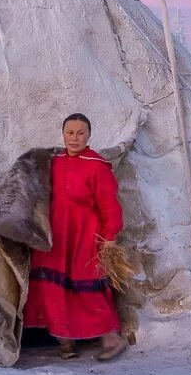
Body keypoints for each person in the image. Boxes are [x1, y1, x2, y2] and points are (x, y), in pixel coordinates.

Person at [22, 113, 128, 361]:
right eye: (70, 132)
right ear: (63, 134)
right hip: (55, 237)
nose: (74, 138)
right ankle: (65, 340)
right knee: (50, 288)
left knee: (86, 288)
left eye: (80, 133)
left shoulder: (97, 166)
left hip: (84, 237)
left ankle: (111, 339)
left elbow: (111, 207)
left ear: (89, 135)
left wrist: (110, 237)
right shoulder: (55, 162)